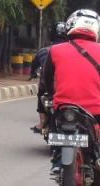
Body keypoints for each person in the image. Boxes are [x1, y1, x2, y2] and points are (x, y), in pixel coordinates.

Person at [41, 9, 100, 173]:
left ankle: (57, 160)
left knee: (55, 123)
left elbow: (46, 79)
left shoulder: (55, 50)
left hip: (64, 108)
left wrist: (53, 96)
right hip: (96, 110)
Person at [30, 22, 68, 134]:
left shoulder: (44, 51)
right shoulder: (73, 51)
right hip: (65, 86)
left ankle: (42, 123)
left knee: (41, 94)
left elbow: (34, 66)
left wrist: (32, 74)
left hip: (47, 85)